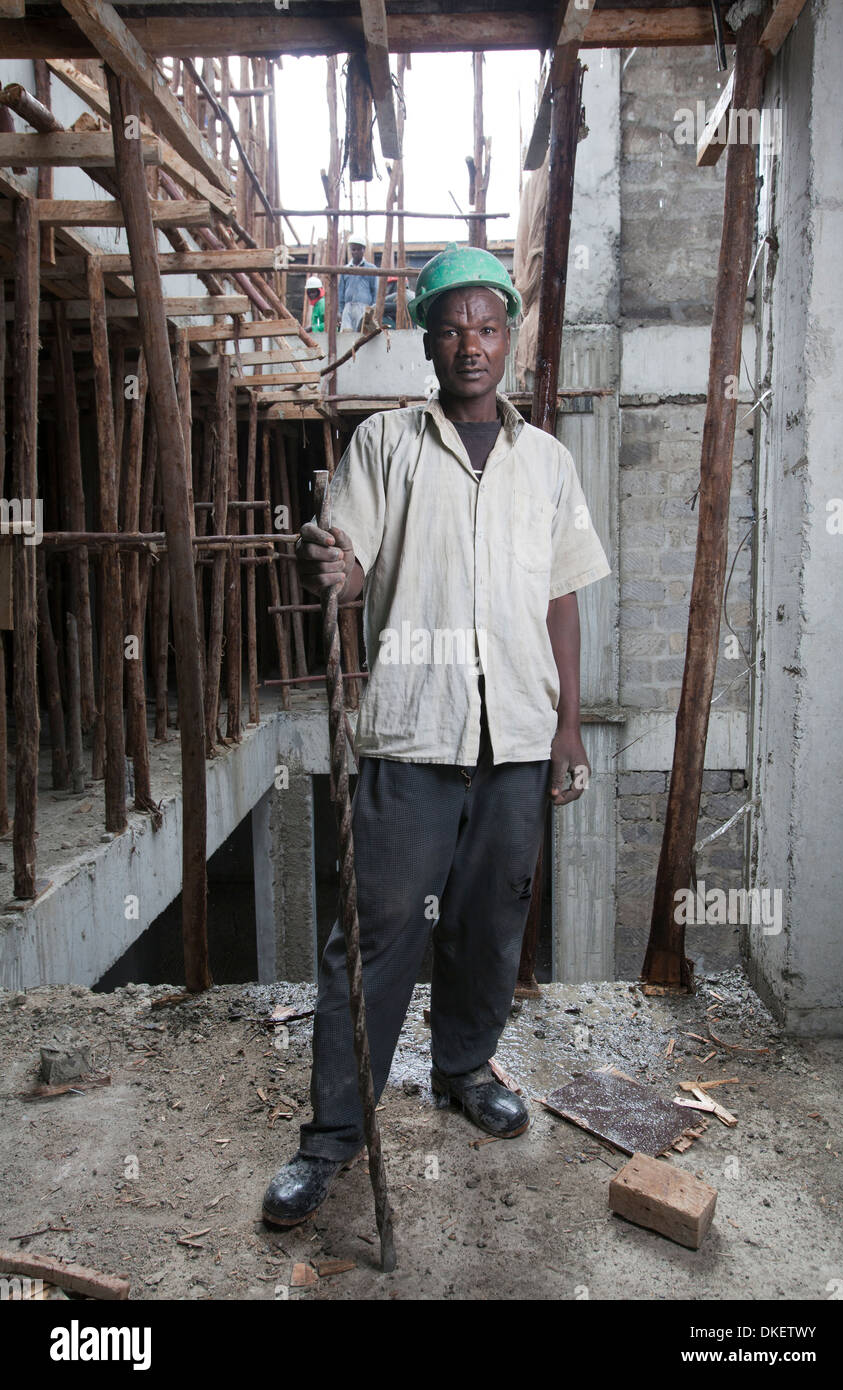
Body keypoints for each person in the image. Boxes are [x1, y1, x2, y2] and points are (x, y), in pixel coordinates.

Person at [262, 243, 611, 1227]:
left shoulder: (545, 463)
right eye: (452, 327)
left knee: (491, 918)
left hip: (514, 740)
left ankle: (462, 1067)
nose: (471, 344)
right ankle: (332, 1137)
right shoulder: (383, 445)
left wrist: (567, 729)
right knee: (373, 937)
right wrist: (331, 563)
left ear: (508, 338)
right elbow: (355, 567)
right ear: (427, 340)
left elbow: (559, 603)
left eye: (488, 326)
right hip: (412, 736)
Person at [338, 230, 378, 332]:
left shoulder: (371, 269)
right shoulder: (345, 269)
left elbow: (375, 291)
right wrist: (341, 311)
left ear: (363, 250)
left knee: (361, 335)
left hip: (363, 308)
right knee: (346, 335)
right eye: (353, 249)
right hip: (348, 308)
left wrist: (372, 311)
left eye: (358, 249)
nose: (355, 252)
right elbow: (341, 292)